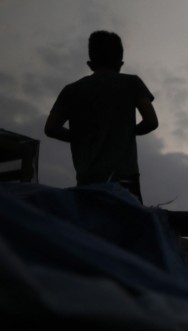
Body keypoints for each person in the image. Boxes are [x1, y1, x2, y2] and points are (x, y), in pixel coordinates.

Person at [44, 30, 158, 203]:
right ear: (121, 63)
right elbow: (151, 122)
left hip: (87, 180)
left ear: (90, 64)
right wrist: (127, 132)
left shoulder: (71, 90)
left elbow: (51, 128)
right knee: (128, 226)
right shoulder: (132, 83)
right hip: (124, 178)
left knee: (91, 227)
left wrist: (81, 138)